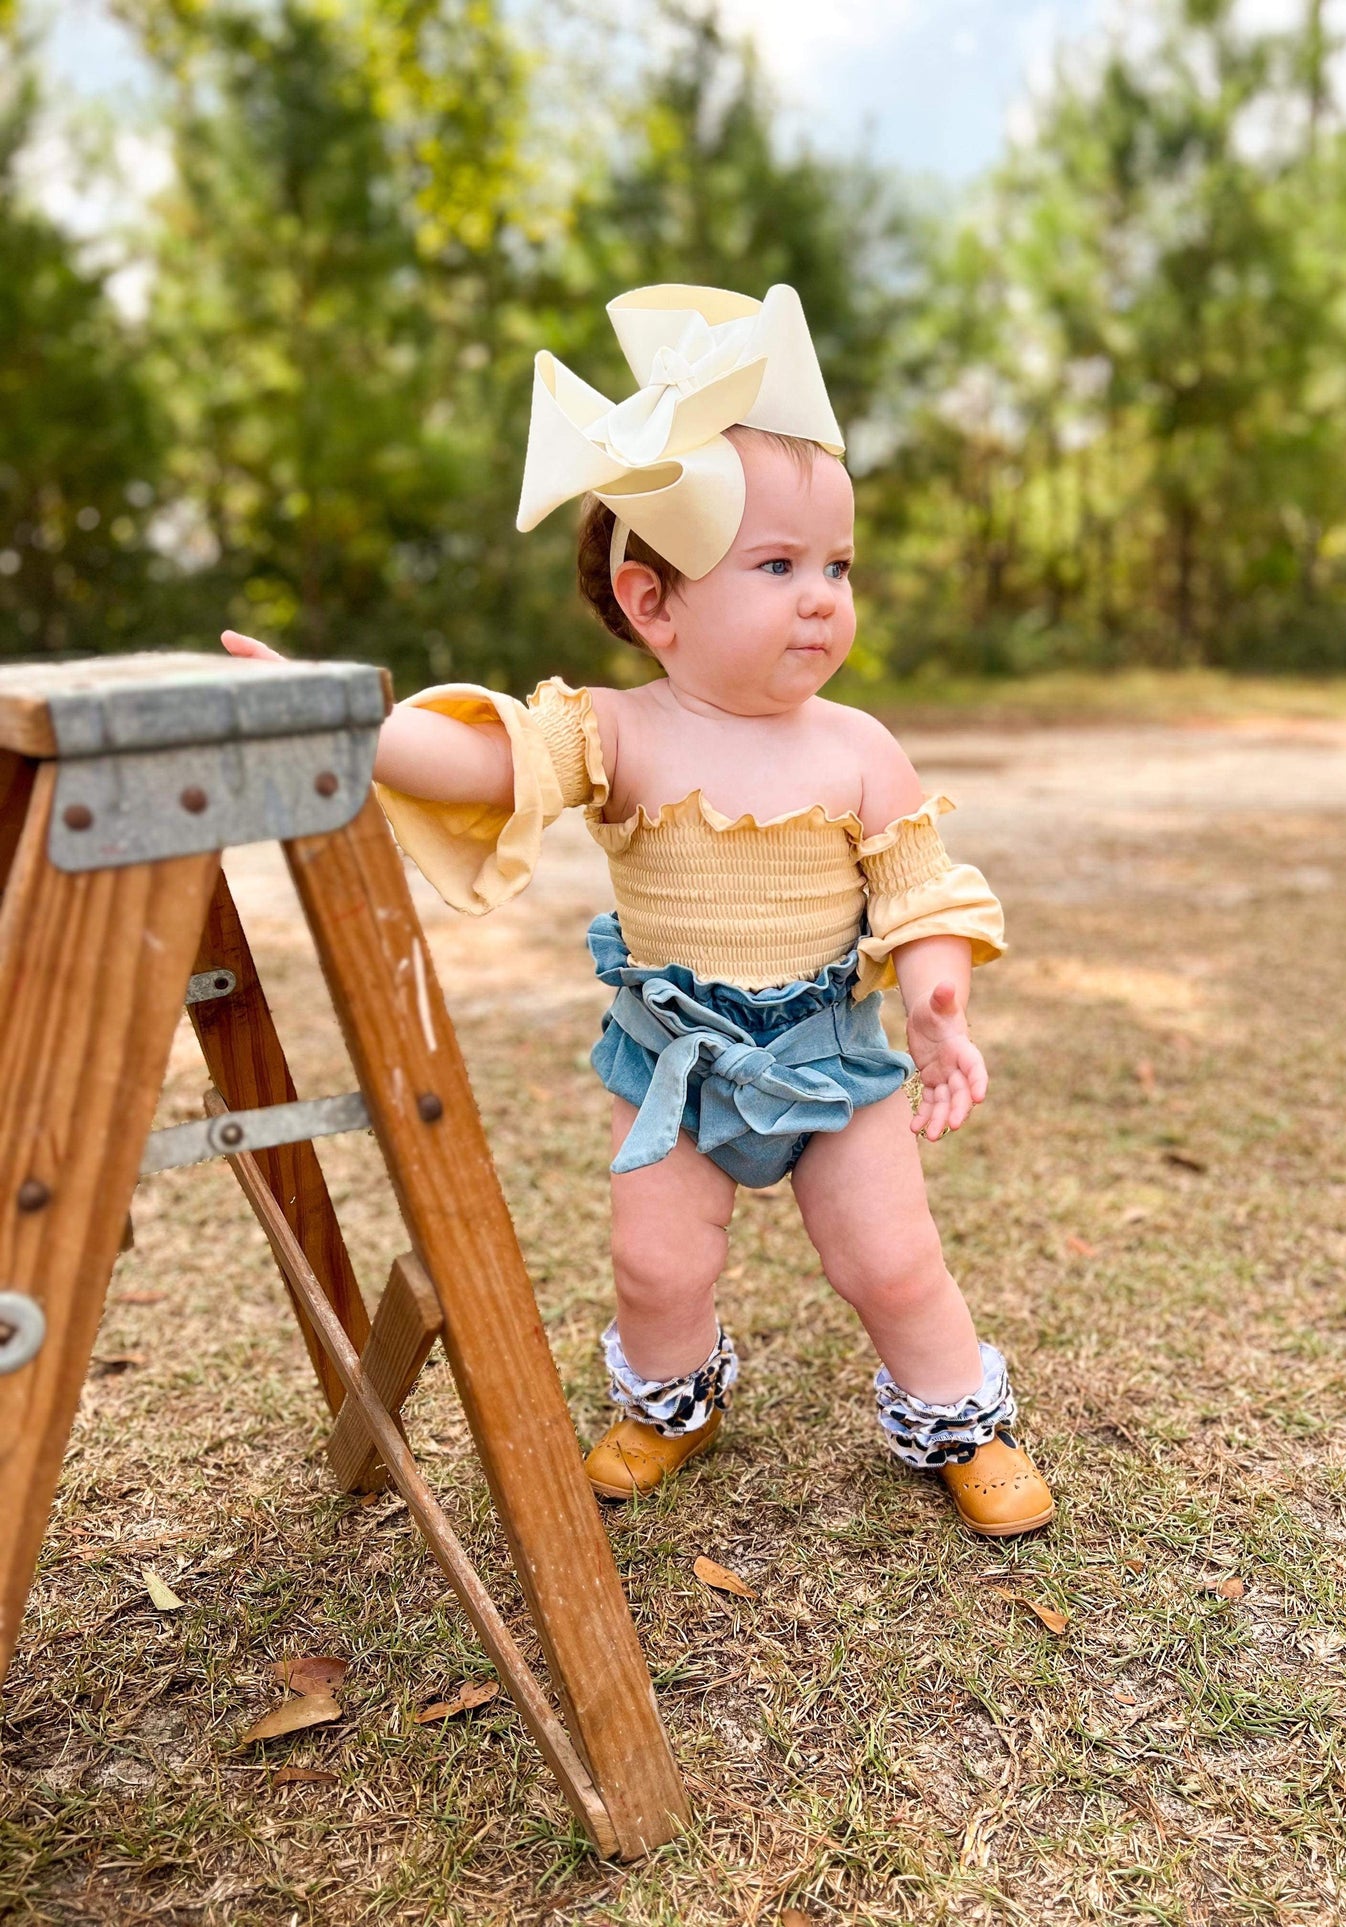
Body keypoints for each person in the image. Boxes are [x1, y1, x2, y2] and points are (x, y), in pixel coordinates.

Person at [222, 282, 1054, 1537]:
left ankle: (953, 1414)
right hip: (672, 1055)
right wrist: (354, 721)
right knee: (657, 1263)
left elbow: (918, 882)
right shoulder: (618, 730)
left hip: (828, 1052)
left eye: (836, 565)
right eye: (777, 566)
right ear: (651, 601)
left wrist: (935, 993)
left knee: (887, 1259)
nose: (822, 596)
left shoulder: (856, 746)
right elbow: (488, 761)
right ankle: (672, 1399)